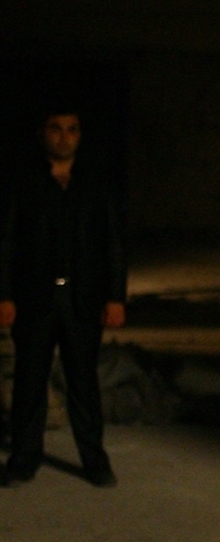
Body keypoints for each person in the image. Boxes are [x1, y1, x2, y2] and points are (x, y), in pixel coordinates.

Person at [0, 106, 127, 488]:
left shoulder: (96, 183)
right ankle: (24, 459)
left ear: (80, 135)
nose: (64, 136)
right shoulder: (24, 183)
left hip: (82, 301)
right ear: (43, 133)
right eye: (56, 128)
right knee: (29, 382)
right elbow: (6, 242)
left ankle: (95, 461)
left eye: (72, 129)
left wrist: (115, 297)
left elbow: (113, 242)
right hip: (34, 299)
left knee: (83, 383)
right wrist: (4, 295)